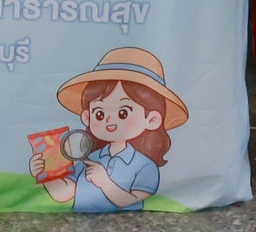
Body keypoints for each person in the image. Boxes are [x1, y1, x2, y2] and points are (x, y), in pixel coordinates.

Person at [30, 48, 185, 213]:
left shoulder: (145, 166)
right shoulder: (92, 157)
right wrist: (45, 174)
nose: (109, 120)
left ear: (152, 120)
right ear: (87, 117)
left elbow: (132, 199)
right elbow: (64, 193)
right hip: (82, 223)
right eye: (99, 113)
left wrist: (104, 181)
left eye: (123, 113)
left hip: (127, 224)